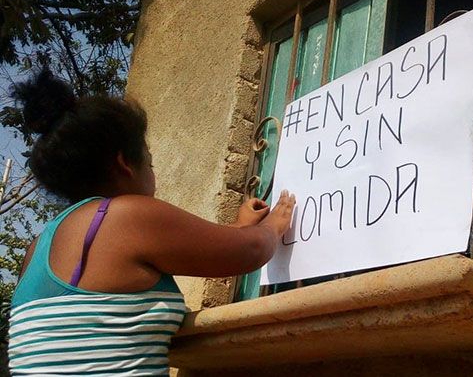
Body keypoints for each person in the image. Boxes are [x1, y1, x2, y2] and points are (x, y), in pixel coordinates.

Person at [7, 69, 295, 376]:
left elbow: (208, 246)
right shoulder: (126, 215)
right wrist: (272, 226)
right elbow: (248, 251)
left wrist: (241, 225)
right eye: (150, 160)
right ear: (124, 164)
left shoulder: (39, 246)